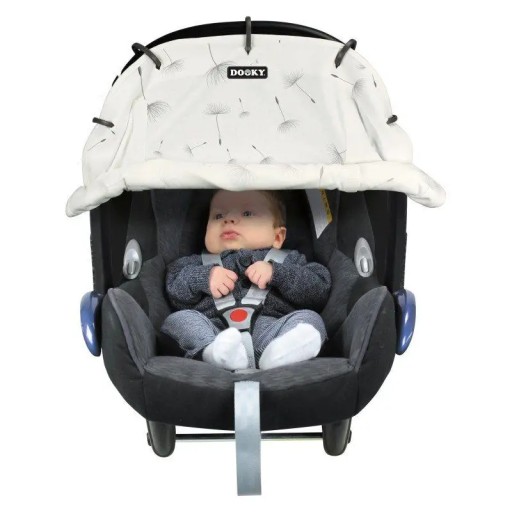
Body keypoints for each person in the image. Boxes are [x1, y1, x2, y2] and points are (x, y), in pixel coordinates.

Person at [161, 190, 331, 370]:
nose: (228, 219)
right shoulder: (194, 263)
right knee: (178, 320)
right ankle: (214, 353)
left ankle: (281, 353)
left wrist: (278, 273)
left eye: (247, 213)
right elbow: (174, 293)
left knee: (310, 319)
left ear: (278, 237)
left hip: (272, 330)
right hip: (213, 331)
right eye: (218, 216)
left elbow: (318, 291)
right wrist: (204, 278)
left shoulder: (290, 260)